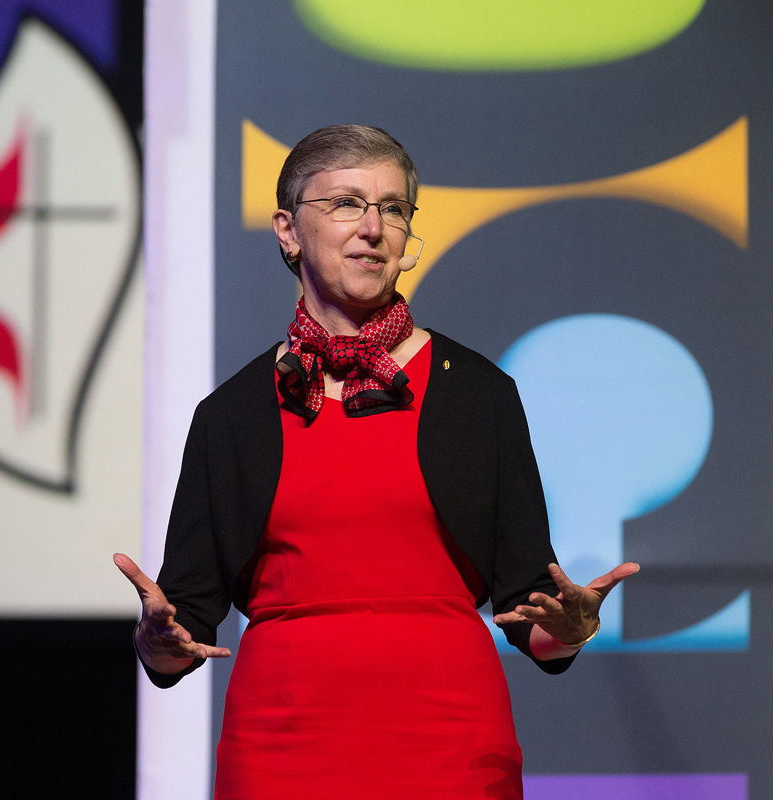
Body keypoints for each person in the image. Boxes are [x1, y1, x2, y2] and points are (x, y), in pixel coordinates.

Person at [114, 124, 638, 798]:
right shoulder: (231, 415)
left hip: (450, 745)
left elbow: (529, 609)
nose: (374, 227)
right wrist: (159, 642)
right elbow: (184, 619)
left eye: (393, 208)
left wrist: (569, 630)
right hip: (280, 749)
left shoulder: (479, 394)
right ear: (287, 230)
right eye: (346, 204)